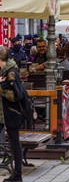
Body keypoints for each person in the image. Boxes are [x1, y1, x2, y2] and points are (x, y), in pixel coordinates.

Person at [0, 46, 24, 182]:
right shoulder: (3, 71)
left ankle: (18, 174)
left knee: (15, 142)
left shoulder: (11, 72)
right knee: (14, 142)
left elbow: (17, 95)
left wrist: (1, 88)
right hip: (3, 113)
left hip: (11, 113)